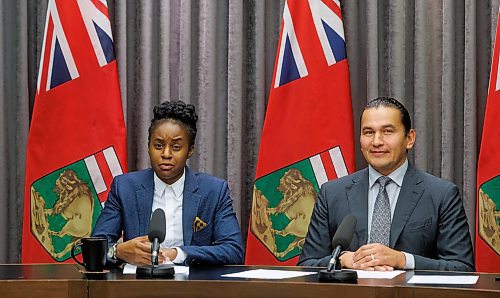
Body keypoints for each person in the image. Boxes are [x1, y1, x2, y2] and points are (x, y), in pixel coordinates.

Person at [298, 97, 474, 271]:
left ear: (410, 138)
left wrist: (403, 260)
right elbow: (307, 265)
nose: (376, 141)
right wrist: (342, 260)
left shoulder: (441, 194)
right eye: (368, 132)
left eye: (387, 131)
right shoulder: (332, 193)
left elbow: (462, 268)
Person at [92, 100, 244, 267]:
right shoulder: (124, 187)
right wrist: (118, 251)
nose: (166, 154)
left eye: (176, 147)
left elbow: (233, 250)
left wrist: (178, 254)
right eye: (158, 145)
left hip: (193, 288)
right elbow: (94, 249)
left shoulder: (214, 191)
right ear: (148, 147)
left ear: (190, 150)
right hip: (137, 287)